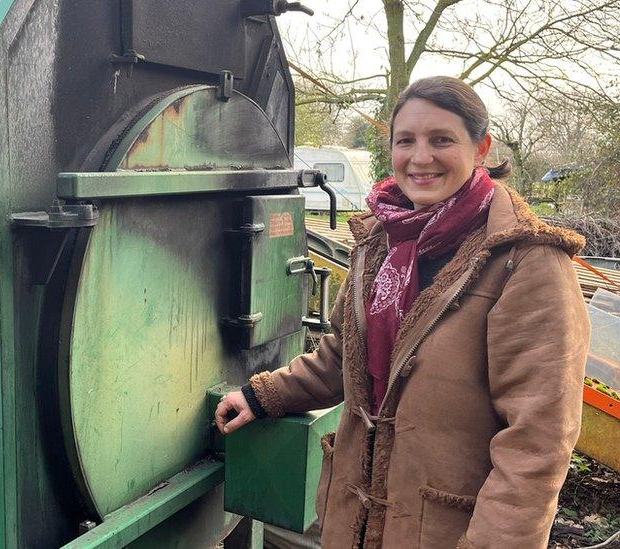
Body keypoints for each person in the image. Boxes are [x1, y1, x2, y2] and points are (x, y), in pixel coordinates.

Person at [215, 76, 591, 549]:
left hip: (443, 532)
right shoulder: (379, 243)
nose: (420, 157)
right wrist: (263, 395)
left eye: (442, 140)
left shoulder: (525, 262)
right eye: (406, 140)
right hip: (353, 523)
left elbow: (537, 442)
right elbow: (341, 358)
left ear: (481, 148)